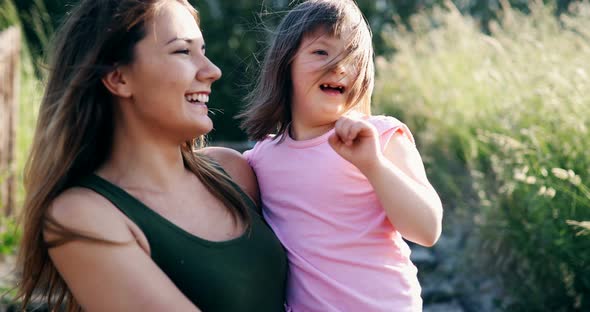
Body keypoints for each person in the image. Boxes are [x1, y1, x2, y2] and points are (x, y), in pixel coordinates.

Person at [16, 0, 287, 311]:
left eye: (204, 50)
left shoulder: (234, 173)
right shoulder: (83, 216)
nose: (212, 71)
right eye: (183, 51)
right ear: (119, 78)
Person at [239, 0, 443, 310]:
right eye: (321, 52)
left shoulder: (380, 135)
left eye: (351, 56)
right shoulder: (262, 159)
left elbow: (427, 229)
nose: (339, 66)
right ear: (285, 64)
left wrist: (372, 164)